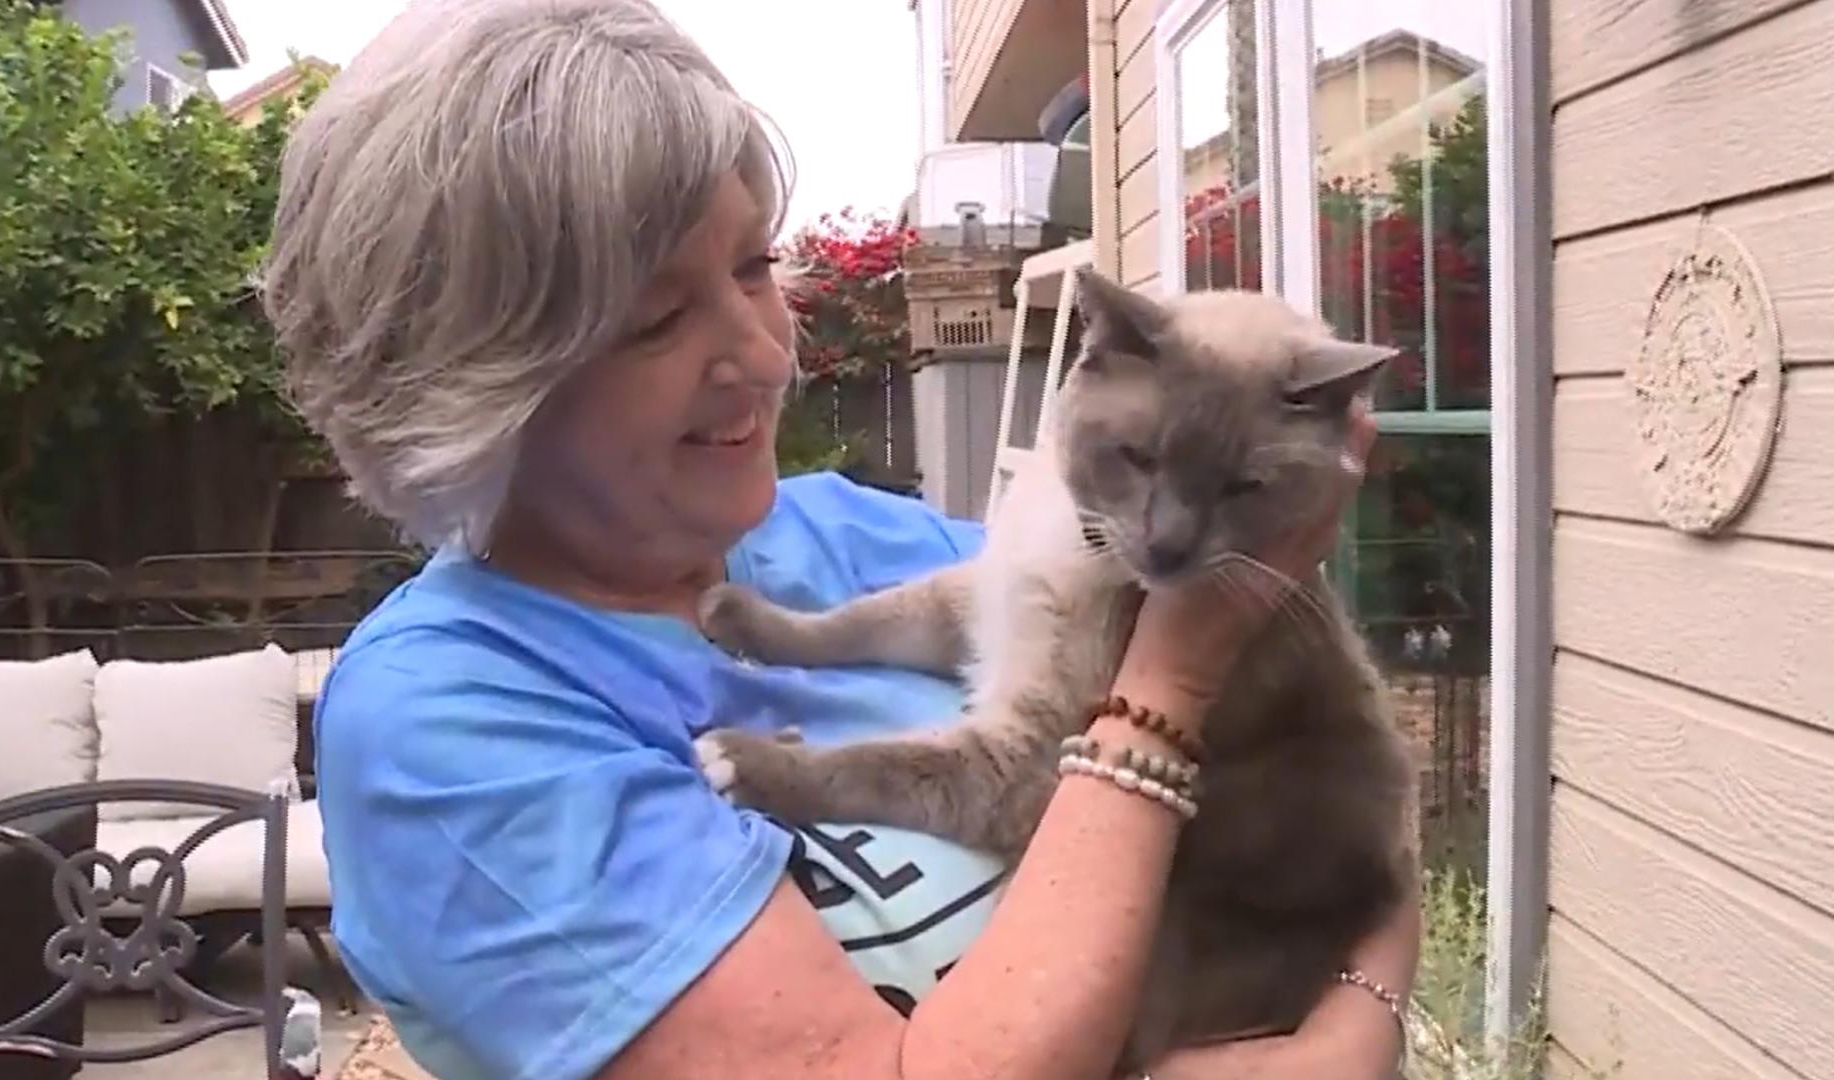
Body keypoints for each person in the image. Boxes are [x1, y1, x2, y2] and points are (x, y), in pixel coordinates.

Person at [263, 1, 1419, 1077]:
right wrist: (1178, 670)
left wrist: (1360, 1012)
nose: (767, 354)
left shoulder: (854, 539)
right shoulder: (450, 723)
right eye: (661, 316)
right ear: (479, 382)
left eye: (754, 265)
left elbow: (1340, 790)